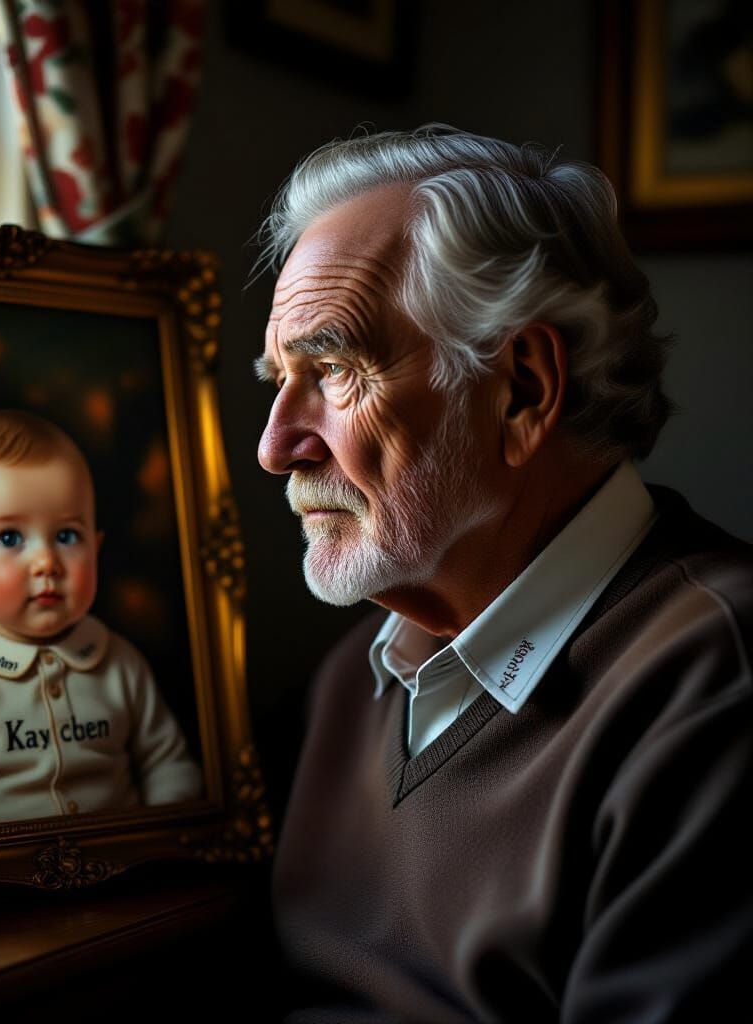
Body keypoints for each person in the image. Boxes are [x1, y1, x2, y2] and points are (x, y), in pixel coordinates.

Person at [255, 126, 752, 1021]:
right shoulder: (353, 679)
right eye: (278, 379)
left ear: (521, 389)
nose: (275, 445)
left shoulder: (715, 679)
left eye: (331, 370)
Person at [0, 408, 203, 834]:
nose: (46, 562)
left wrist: (164, 839)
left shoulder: (120, 663)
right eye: (9, 538)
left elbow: (169, 767)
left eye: (67, 536)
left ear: (95, 547)